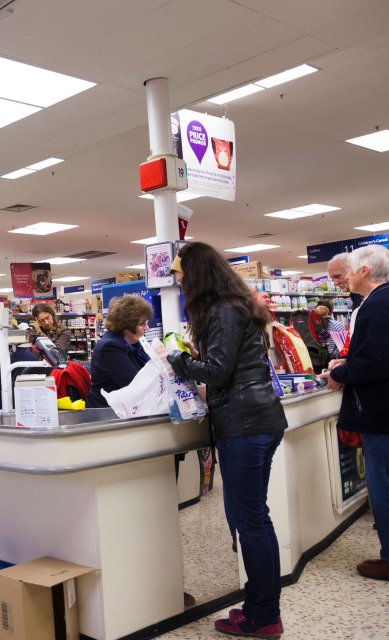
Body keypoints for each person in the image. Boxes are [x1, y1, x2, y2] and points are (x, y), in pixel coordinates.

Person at [162, 242, 287, 638]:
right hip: (258, 416)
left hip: (245, 423)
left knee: (250, 520)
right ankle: (261, 607)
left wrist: (176, 358)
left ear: (196, 274)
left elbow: (215, 371)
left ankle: (263, 615)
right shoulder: (236, 305)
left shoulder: (220, 310)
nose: (179, 282)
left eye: (181, 275)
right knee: (251, 517)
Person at [319, 245, 389, 581]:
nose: (344, 277)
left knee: (383, 484)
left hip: (380, 414)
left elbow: (375, 364)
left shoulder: (376, 305)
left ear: (364, 271)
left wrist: (339, 373)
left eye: (349, 270)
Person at [85, 295, 153, 409]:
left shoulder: (135, 344)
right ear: (127, 324)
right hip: (107, 415)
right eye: (142, 324)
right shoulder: (109, 348)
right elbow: (136, 384)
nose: (147, 328)